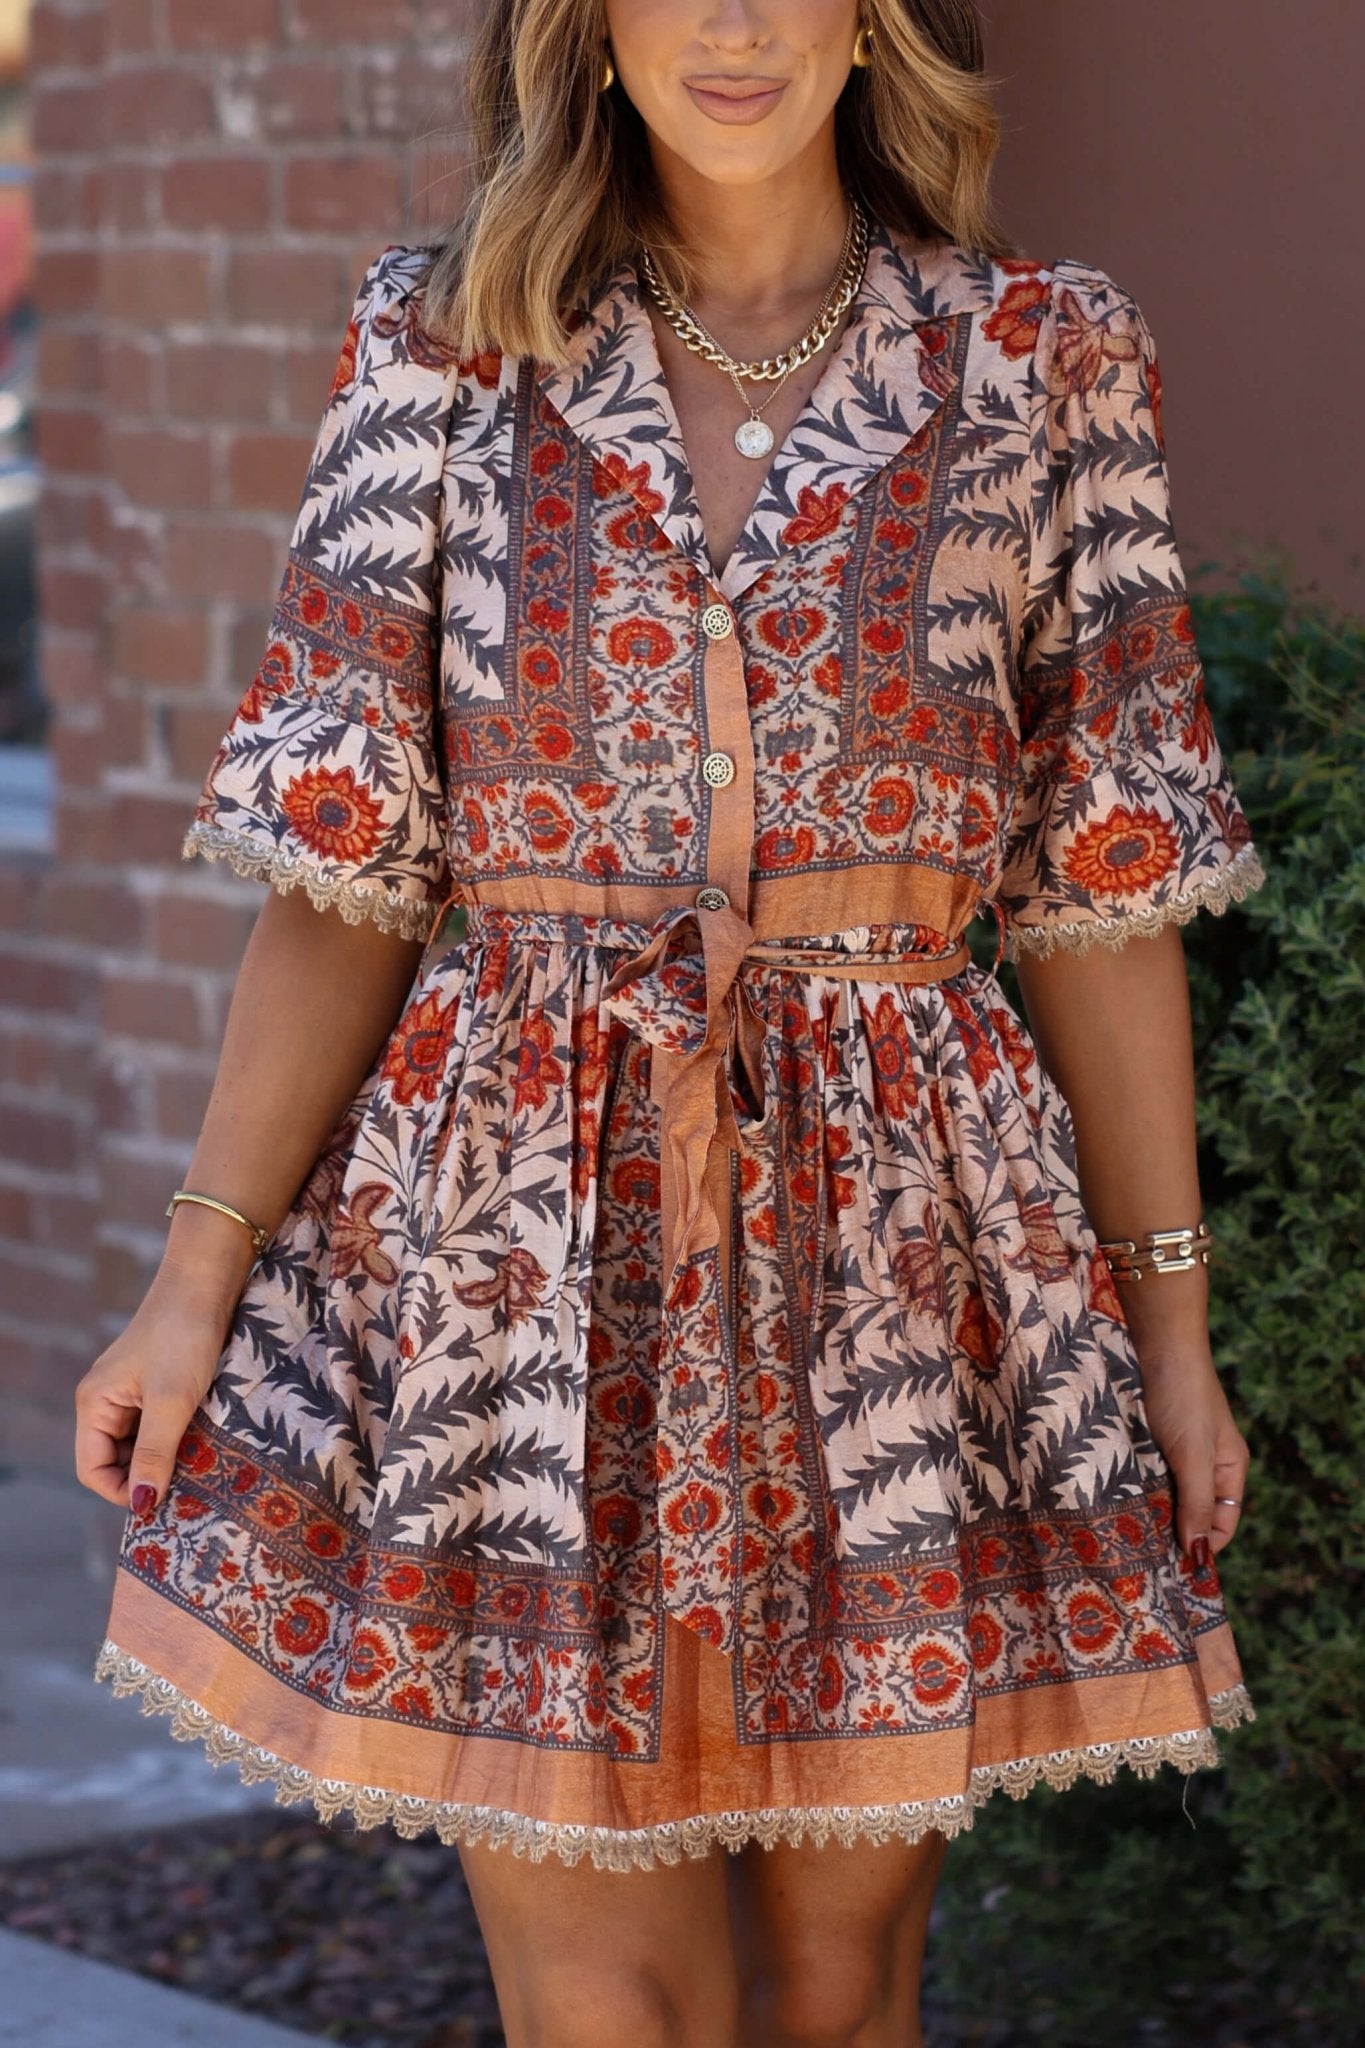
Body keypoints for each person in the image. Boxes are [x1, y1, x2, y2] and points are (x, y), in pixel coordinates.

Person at [74, 0, 1265, 2041]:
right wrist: (194, 1277)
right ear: (585, 25)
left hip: (897, 1284)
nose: (732, 24)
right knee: (605, 1998)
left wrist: (1167, 1329)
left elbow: (1099, 894)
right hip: (520, 1289)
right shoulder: (440, 345)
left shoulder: (1037, 359)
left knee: (835, 1983)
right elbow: (346, 862)